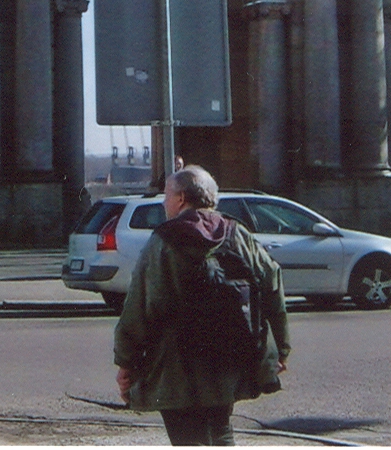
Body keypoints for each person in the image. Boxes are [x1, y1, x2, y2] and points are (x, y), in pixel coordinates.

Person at [113, 165, 289, 446]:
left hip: (175, 363)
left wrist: (126, 363)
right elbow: (272, 286)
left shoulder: (163, 240)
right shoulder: (238, 234)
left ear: (181, 198)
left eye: (167, 195)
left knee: (187, 438)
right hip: (228, 357)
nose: (164, 202)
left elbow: (140, 306)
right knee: (220, 429)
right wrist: (280, 348)